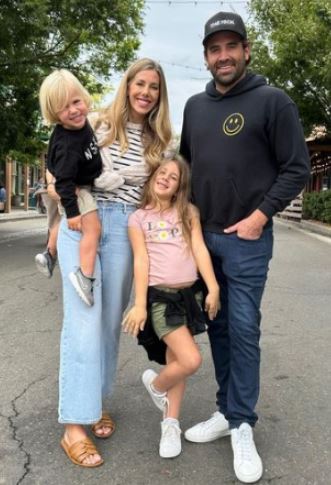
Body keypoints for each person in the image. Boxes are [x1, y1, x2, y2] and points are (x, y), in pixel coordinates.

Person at [180, 11, 310, 484]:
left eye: (231, 46)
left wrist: (259, 218)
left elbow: (296, 167)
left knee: (243, 327)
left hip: (248, 241)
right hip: (204, 240)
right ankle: (224, 410)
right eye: (215, 49)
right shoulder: (195, 107)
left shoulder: (272, 101)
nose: (224, 55)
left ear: (247, 49)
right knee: (216, 326)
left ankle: (242, 424)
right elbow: (188, 170)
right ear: (207, 57)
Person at [55, 58, 172, 467]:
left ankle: (96, 402)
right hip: (84, 222)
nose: (145, 92)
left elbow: (162, 197)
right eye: (139, 83)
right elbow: (58, 175)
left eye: (153, 87)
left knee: (107, 325)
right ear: (127, 85)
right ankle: (74, 424)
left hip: (126, 229)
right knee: (83, 321)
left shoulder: (162, 142)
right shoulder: (96, 124)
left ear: (160, 94)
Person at [122, 155, 220, 459]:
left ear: (180, 186)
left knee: (176, 360)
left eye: (173, 176)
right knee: (190, 360)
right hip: (161, 300)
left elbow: (199, 249)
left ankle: (170, 424)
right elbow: (141, 260)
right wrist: (139, 305)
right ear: (152, 178)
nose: (165, 178)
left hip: (188, 297)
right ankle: (156, 386)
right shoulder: (138, 218)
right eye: (161, 173)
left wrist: (213, 287)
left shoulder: (188, 212)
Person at [37, 69, 103, 306]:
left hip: (77, 181)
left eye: (76, 101)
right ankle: (84, 275)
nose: (74, 110)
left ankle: (49, 254)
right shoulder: (68, 146)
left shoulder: (81, 124)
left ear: (83, 97)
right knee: (93, 229)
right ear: (54, 114)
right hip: (76, 187)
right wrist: (73, 211)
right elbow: (63, 182)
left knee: (59, 223)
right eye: (65, 108)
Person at [35, 170, 61, 278]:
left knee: (57, 219)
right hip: (65, 187)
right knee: (65, 217)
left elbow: (50, 167)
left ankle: (49, 255)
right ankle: (50, 255)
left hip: (55, 187)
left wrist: (50, 185)